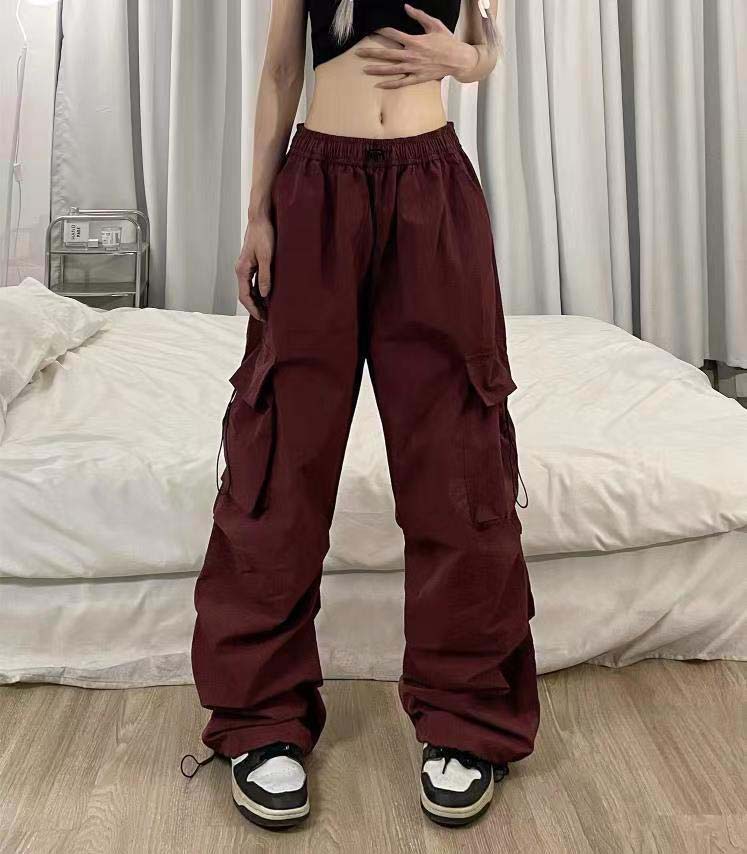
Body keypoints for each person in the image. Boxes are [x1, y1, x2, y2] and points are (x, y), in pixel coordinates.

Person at [183, 0, 540, 831]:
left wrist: (463, 60)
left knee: (456, 454)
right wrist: (257, 213)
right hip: (317, 186)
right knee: (282, 455)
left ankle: (465, 716)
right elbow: (281, 70)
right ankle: (262, 718)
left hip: (433, 186)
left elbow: (486, 49)